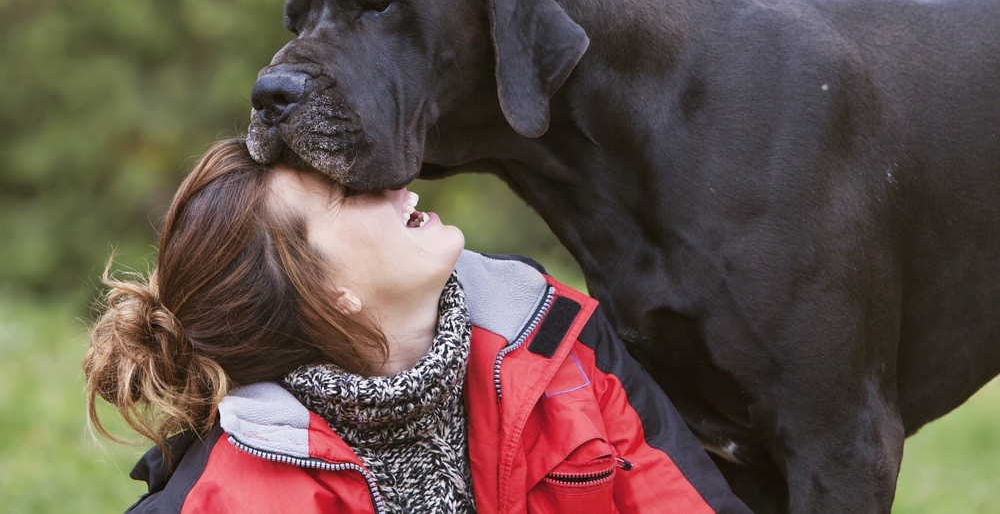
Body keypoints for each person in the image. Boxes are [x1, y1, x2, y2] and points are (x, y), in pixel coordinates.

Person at [84, 137, 748, 513]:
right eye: (351, 192)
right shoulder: (222, 501)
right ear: (326, 290)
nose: (398, 181)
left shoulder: (558, 340)